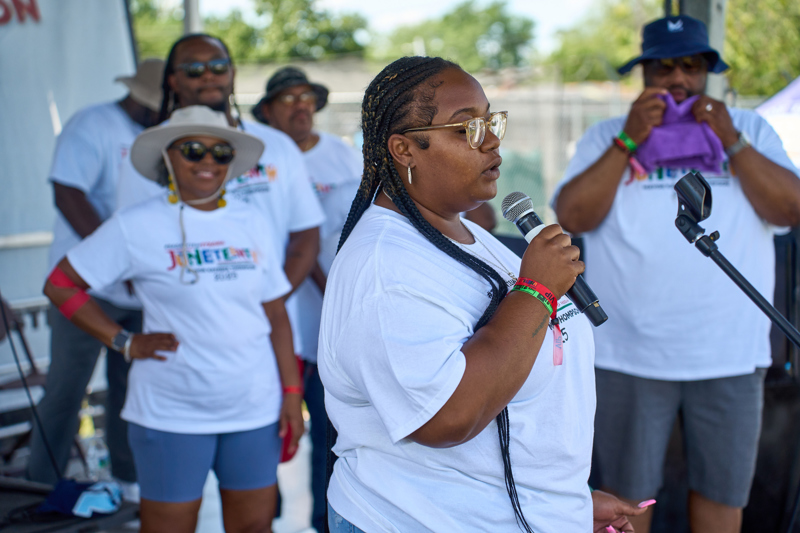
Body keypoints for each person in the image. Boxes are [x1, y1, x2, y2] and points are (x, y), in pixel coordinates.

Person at [319, 56, 649, 533]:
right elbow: (448, 416)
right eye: (467, 128)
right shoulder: (382, 267)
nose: (492, 140)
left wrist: (561, 504)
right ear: (404, 149)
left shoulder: (466, 234)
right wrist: (537, 291)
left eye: (491, 121)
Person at [552, 15, 800, 533]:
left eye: (690, 66)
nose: (677, 79)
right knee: (627, 501)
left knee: (722, 496)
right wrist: (628, 140)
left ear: (708, 72)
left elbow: (790, 209)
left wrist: (731, 140)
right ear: (644, 74)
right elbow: (573, 216)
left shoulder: (749, 128)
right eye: (662, 67)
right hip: (629, 355)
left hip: (730, 353)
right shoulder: (607, 135)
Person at [42, 105, 305, 533]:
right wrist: (123, 340)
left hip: (253, 407)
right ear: (168, 157)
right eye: (193, 150)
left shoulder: (251, 220)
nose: (208, 161)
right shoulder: (136, 225)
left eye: (220, 152)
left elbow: (275, 312)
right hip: (171, 412)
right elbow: (60, 284)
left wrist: (292, 393)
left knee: (255, 528)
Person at [27, 59, 164, 494]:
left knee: (130, 390)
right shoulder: (93, 124)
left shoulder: (165, 135)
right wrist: (114, 259)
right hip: (86, 287)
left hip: (140, 289)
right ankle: (40, 486)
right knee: (67, 390)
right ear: (144, 101)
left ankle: (126, 482)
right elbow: (67, 192)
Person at [116, 35, 324, 312]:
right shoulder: (154, 152)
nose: (208, 75)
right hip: (188, 327)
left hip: (273, 323)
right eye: (194, 69)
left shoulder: (277, 145)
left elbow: (306, 234)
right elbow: (131, 248)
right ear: (173, 81)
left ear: (232, 73)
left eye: (218, 66)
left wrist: (268, 306)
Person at [253, 65, 361, 533]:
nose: (300, 106)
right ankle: (262, 513)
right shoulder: (253, 157)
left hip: (326, 321)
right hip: (266, 317)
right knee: (262, 425)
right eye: (288, 98)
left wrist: (337, 291)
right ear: (267, 110)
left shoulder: (343, 156)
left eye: (307, 97)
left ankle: (322, 520)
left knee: (326, 426)